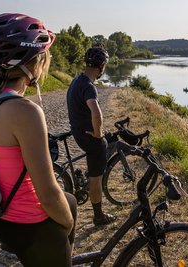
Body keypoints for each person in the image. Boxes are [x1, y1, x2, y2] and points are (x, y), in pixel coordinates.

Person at [0, 13, 77, 266]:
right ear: (34, 62)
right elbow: (48, 194)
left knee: (70, 200)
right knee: (65, 210)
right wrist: (68, 226)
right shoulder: (24, 111)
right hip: (27, 224)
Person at [67, 47, 116, 226]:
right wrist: (97, 133)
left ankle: (87, 174)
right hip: (89, 137)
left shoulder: (77, 81)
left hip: (78, 132)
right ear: (102, 66)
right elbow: (96, 113)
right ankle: (98, 216)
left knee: (109, 137)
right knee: (97, 178)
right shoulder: (89, 86)